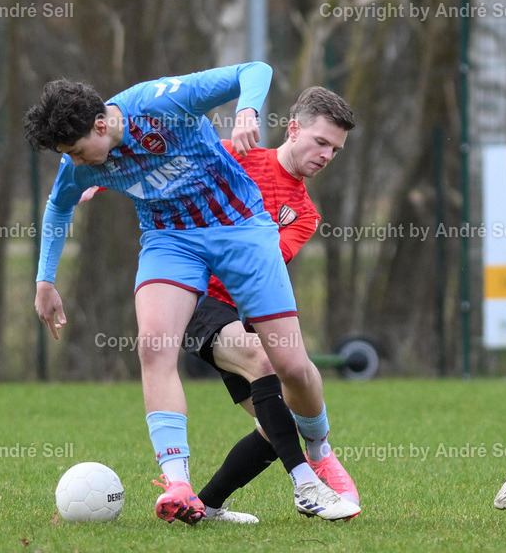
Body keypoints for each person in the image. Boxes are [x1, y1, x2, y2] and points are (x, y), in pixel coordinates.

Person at [25, 62, 359, 525]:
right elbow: (57, 207)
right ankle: (179, 484)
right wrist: (45, 281)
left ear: (102, 124)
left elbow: (254, 69)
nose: (78, 163)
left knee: (290, 366)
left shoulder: (161, 103)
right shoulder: (78, 163)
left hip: (240, 229)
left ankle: (319, 450)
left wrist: (246, 112)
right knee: (153, 347)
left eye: (81, 152)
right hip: (171, 241)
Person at [182, 86, 359, 523]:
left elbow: (263, 266)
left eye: (335, 150)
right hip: (191, 295)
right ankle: (307, 483)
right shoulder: (235, 157)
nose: (326, 155)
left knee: (277, 424)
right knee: (264, 362)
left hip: (235, 312)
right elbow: (168, 167)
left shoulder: (306, 213)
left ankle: (202, 508)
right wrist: (100, 182)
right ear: (293, 129)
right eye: (321, 142)